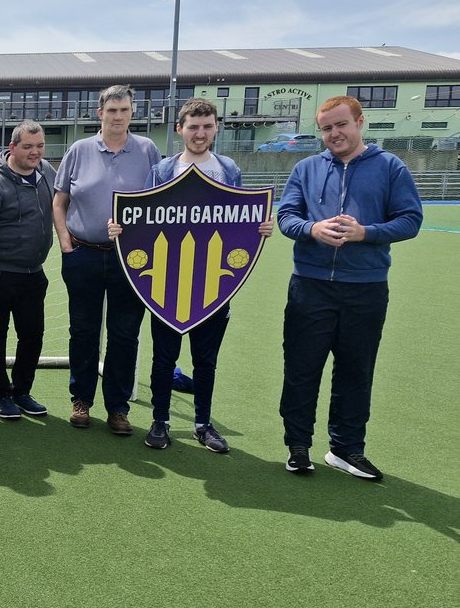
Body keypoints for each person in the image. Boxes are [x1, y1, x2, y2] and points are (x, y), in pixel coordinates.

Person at [106, 98, 273, 453]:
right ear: (180, 129)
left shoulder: (228, 169)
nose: (200, 133)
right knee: (164, 358)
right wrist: (122, 229)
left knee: (205, 360)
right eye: (193, 127)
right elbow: (144, 218)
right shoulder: (164, 171)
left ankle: (203, 423)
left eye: (207, 126)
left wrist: (260, 227)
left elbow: (239, 220)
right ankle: (160, 421)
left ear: (216, 128)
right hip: (168, 284)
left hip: (214, 283)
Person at [277, 95, 422, 480]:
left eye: (341, 125)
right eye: (326, 128)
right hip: (309, 287)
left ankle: (346, 449)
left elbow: (410, 220)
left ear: (360, 122)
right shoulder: (305, 169)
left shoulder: (391, 167)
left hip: (366, 289)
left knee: (357, 370)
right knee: (301, 368)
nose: (334, 134)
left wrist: (365, 233)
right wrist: (313, 229)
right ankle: (298, 446)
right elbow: (286, 217)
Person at [54, 84, 161, 434]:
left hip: (133, 261)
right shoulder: (79, 149)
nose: (118, 117)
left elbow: (161, 201)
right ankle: (81, 400)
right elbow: (59, 202)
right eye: (111, 110)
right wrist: (65, 244)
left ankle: (118, 407)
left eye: (124, 110)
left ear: (132, 113)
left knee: (125, 334)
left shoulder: (147, 150)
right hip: (83, 253)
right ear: (100, 113)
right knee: (83, 331)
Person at [0, 120, 54, 421]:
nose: (35, 152)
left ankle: (21, 391)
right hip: (0, 277)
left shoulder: (46, 173)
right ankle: (1, 394)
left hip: (34, 274)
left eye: (40, 146)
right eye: (28, 146)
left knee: (32, 335)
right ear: (12, 148)